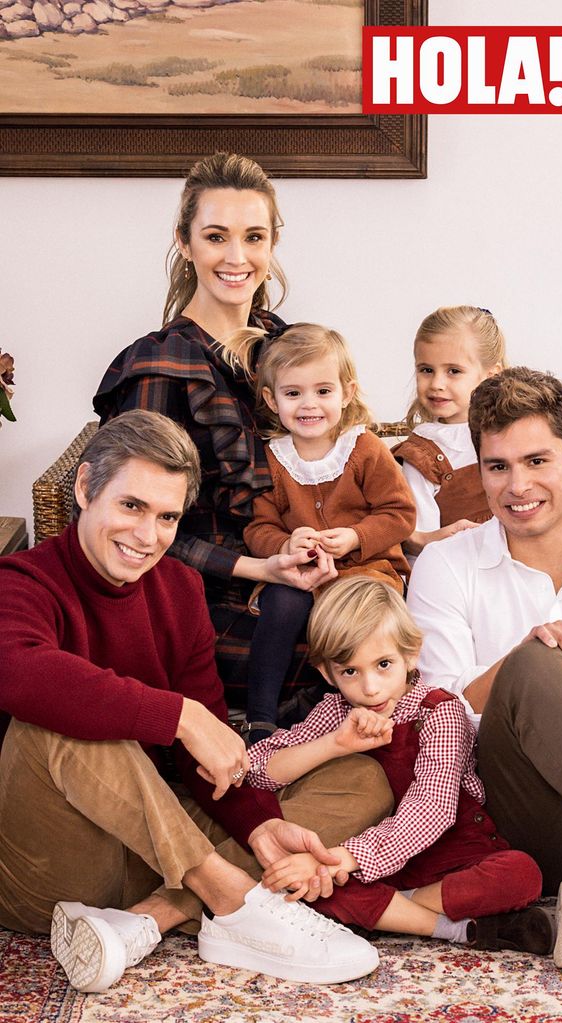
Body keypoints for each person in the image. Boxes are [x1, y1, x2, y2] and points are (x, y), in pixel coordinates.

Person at [0, 410, 393, 993]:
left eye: (166, 517)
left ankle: (151, 918)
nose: (146, 536)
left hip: (150, 848)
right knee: (60, 723)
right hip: (52, 865)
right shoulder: (21, 580)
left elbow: (202, 757)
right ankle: (232, 899)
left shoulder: (180, 590)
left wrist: (259, 828)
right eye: (131, 506)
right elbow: (18, 674)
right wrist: (178, 716)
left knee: (361, 780)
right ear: (85, 488)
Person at [93, 152, 335, 711]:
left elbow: (339, 467)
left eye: (253, 237)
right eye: (215, 236)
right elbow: (129, 525)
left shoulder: (292, 347)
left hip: (294, 565)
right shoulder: (161, 367)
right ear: (184, 241)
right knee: (348, 656)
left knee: (399, 629)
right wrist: (259, 569)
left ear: (273, 243)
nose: (236, 257)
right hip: (202, 596)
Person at [406, 367, 562, 970]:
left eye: (536, 461)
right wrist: (522, 660)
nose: (517, 486)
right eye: (498, 467)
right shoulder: (447, 564)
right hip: (525, 816)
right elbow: (432, 716)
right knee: (536, 666)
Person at [245, 577, 552, 954]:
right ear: (327, 673)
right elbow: (255, 769)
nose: (370, 688)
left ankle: (395, 909)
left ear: (411, 655)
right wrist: (332, 744)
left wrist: (339, 859)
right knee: (297, 884)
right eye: (350, 672)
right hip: (370, 864)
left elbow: (432, 809)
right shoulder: (335, 713)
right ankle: (449, 927)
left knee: (523, 874)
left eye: (383, 664)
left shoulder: (440, 711)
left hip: (454, 856)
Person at [234, 322, 415, 743]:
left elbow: (399, 512)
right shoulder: (273, 460)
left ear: (346, 393)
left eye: (323, 391)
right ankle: (260, 718)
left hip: (366, 571)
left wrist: (355, 536)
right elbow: (258, 525)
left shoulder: (364, 448)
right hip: (304, 575)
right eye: (293, 393)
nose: (308, 405)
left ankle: (371, 700)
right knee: (282, 601)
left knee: (361, 619)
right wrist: (285, 543)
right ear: (271, 399)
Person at [393, 306, 562, 558]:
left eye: (453, 371)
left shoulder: (534, 428)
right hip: (471, 571)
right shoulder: (421, 454)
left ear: (491, 374)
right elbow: (419, 547)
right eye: (426, 370)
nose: (436, 384)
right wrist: (440, 541)